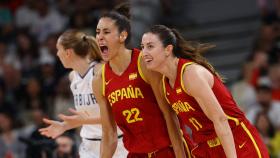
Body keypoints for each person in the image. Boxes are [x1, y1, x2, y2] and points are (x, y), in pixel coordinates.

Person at [141, 24, 270, 158]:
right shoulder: (164, 83)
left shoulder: (191, 74)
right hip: (206, 148)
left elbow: (220, 120)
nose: (144, 53)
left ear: (168, 49)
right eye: (142, 47)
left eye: (150, 46)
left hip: (235, 141)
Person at [93, 3, 193, 158]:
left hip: (168, 149)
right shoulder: (99, 79)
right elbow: (109, 135)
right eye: (98, 32)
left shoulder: (144, 63)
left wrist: (180, 154)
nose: (100, 37)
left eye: (106, 32)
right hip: (137, 154)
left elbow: (169, 114)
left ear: (122, 36)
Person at [39, 30, 127, 158]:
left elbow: (119, 115)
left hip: (116, 144)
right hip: (88, 145)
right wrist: (64, 126)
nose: (57, 54)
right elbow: (86, 118)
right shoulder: (72, 77)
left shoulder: (101, 72)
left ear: (68, 52)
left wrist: (83, 121)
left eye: (59, 50)